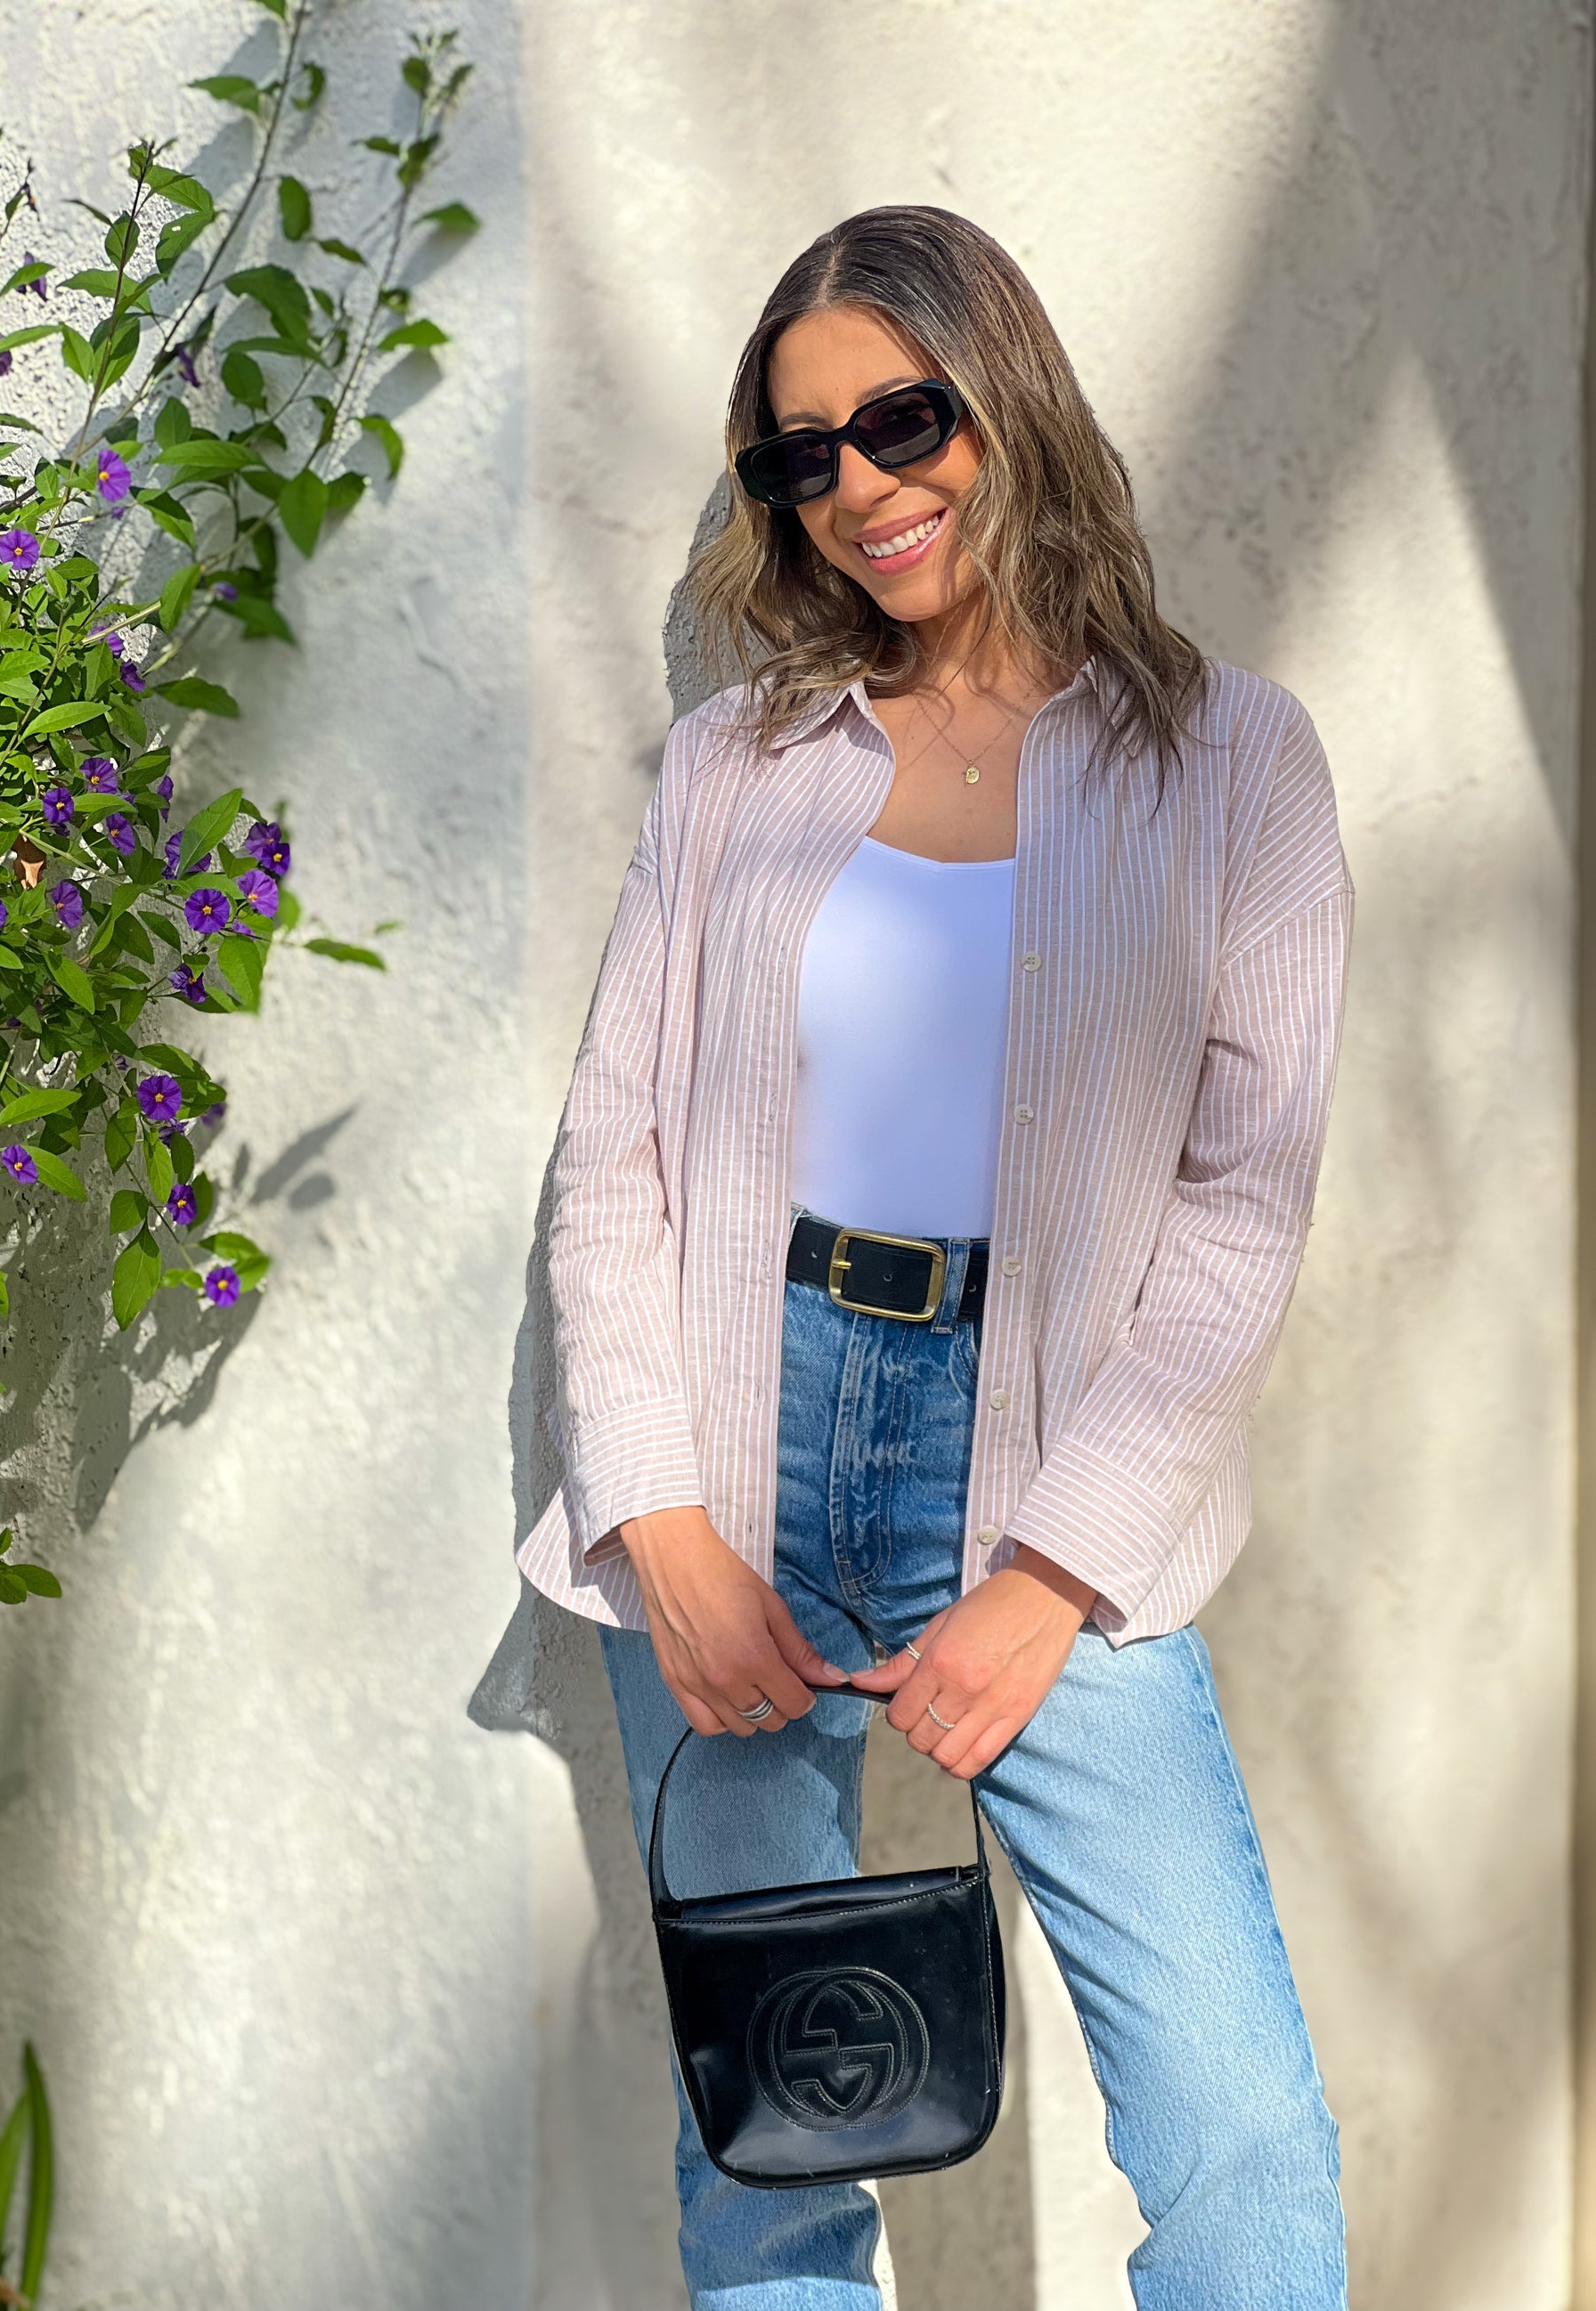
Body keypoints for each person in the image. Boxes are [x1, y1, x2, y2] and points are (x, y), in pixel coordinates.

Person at [517, 204, 1352, 2310]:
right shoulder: (737, 767)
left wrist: (1052, 1574)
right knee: (777, 2149)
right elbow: (609, 1151)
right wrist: (663, 1522)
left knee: (1245, 2147)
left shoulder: (1229, 761)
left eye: (899, 419)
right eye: (803, 455)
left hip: (1057, 1484)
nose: (861, 487)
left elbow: (1241, 1203)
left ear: (1007, 395)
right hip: (736, 1447)